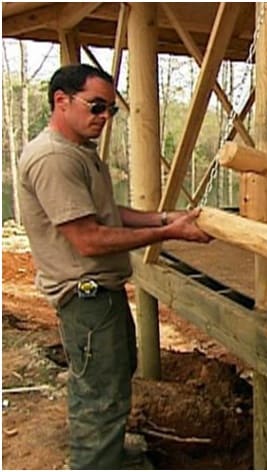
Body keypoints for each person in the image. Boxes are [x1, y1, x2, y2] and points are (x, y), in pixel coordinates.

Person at [17, 63, 212, 469]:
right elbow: (89, 239)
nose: (105, 117)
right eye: (96, 106)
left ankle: (108, 459)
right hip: (85, 298)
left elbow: (105, 213)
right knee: (100, 401)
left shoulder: (78, 153)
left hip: (99, 298)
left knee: (109, 386)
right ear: (61, 101)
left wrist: (162, 218)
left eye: (112, 110)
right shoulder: (53, 158)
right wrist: (169, 234)